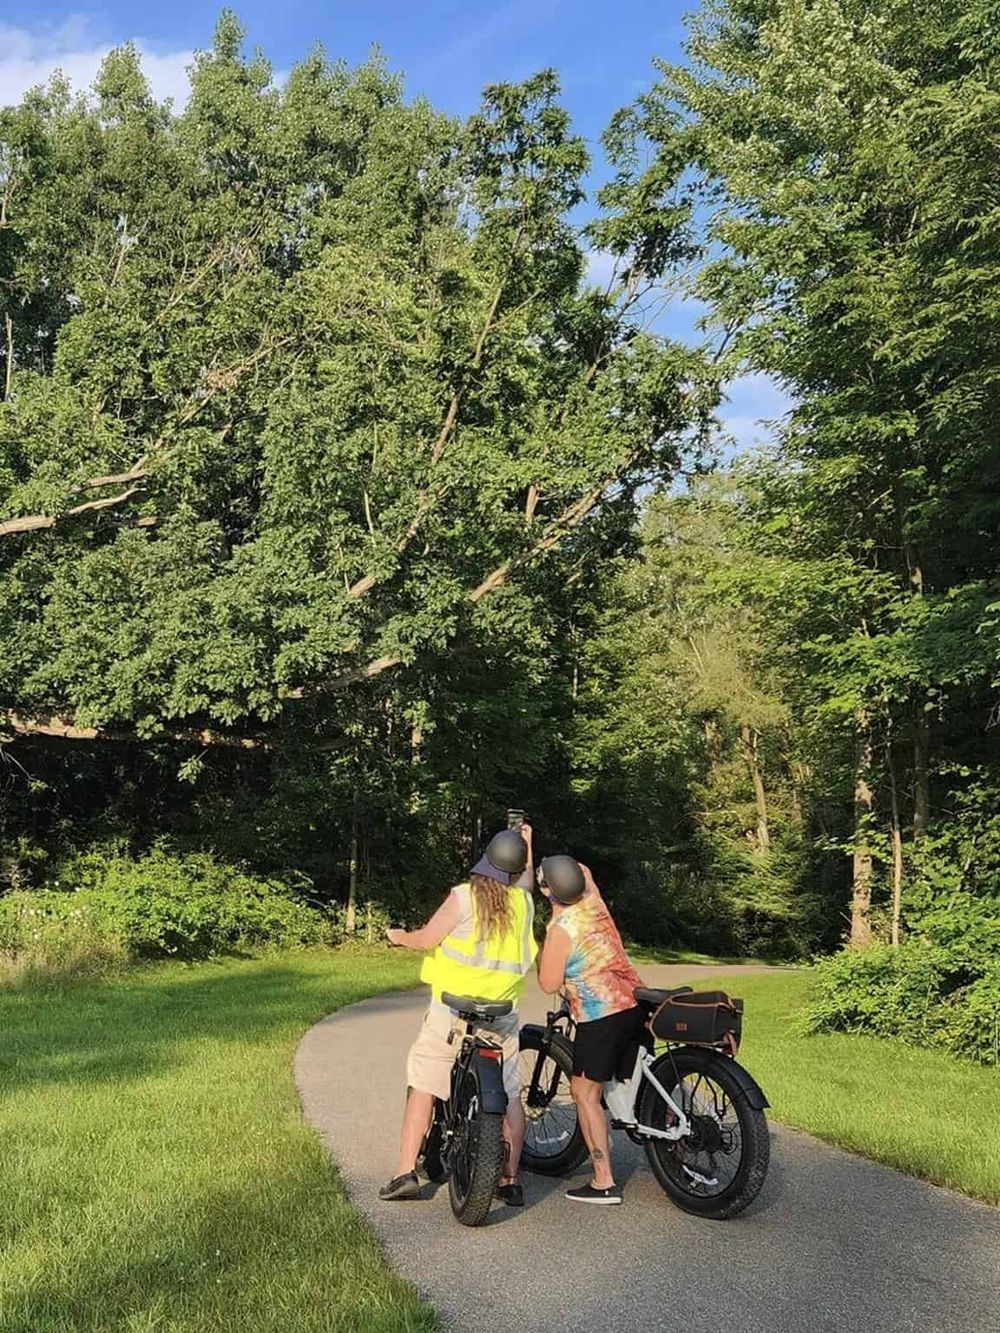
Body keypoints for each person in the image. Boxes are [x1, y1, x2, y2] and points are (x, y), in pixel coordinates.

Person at [379, 824, 537, 1206]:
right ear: (515, 871)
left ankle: (404, 1171)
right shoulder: (525, 903)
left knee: (425, 1082)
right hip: (500, 1013)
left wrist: (400, 936)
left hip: (453, 1009)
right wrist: (527, 846)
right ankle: (510, 1179)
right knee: (510, 1093)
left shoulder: (464, 898)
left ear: (485, 862)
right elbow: (527, 883)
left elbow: (428, 939)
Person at [536, 854, 645, 1205]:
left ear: (550, 891)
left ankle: (603, 1181)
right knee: (636, 1081)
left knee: (585, 1091)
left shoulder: (561, 931)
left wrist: (551, 917)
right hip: (634, 1003)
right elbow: (583, 873)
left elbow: (548, 982)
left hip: (600, 1016)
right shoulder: (594, 902)